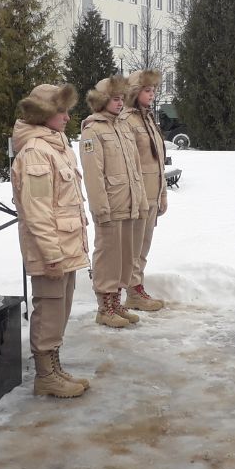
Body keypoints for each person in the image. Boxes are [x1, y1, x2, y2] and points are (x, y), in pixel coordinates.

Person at [11, 83, 92, 397]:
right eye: (62, 111)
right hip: (52, 249)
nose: (68, 117)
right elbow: (38, 211)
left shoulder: (56, 145)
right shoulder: (35, 152)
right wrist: (51, 253)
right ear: (44, 114)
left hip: (66, 244)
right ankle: (46, 375)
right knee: (49, 307)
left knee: (61, 307)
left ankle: (54, 366)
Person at [80, 75, 148, 328]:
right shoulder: (92, 131)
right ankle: (104, 307)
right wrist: (100, 209)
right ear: (102, 101)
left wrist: (140, 201)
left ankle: (116, 301)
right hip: (110, 205)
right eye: (115, 99)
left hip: (130, 204)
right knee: (108, 257)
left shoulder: (123, 127)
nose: (120, 103)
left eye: (121, 99)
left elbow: (136, 169)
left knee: (125, 257)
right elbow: (93, 174)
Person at [121, 69, 168, 312]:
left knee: (144, 246)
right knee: (134, 248)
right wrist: (136, 197)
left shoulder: (147, 118)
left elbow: (157, 160)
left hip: (152, 192)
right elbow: (129, 164)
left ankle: (136, 288)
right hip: (138, 196)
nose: (152, 95)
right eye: (147, 90)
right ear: (135, 92)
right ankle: (133, 290)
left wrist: (162, 193)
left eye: (153, 90)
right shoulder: (127, 120)